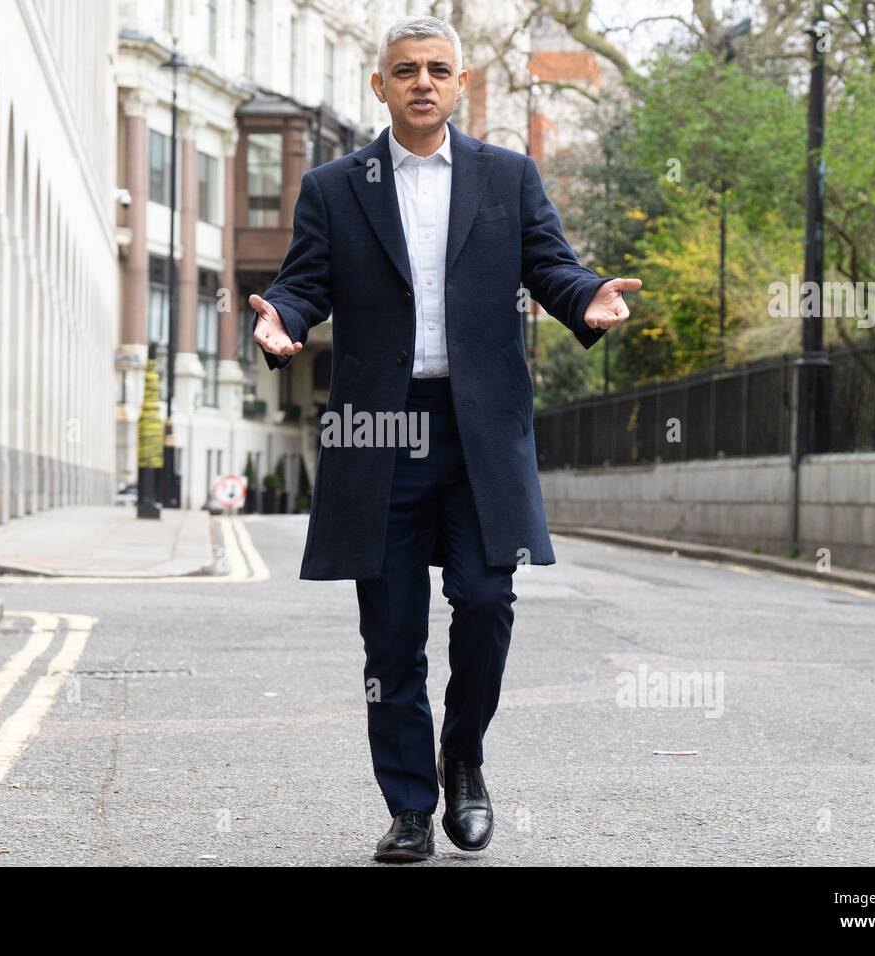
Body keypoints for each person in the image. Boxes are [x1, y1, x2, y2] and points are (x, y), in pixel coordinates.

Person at [248, 14, 641, 862]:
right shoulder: (333, 187)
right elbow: (302, 284)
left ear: (460, 85)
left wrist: (588, 297)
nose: (421, 81)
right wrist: (280, 319)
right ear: (379, 87)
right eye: (405, 70)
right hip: (377, 428)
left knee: (487, 604)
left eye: (436, 68)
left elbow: (552, 265)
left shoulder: (508, 177)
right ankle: (410, 809)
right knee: (390, 634)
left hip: (477, 432)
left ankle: (462, 756)